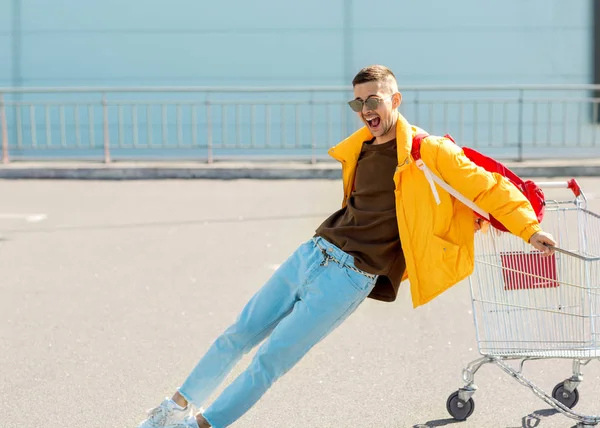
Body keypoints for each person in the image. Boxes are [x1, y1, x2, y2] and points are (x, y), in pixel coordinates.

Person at [137, 65, 556, 428]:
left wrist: (529, 229)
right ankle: (171, 410)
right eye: (357, 104)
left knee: (270, 362)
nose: (366, 112)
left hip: (349, 278)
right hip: (312, 254)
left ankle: (204, 424)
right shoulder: (358, 147)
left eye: (373, 101)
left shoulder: (428, 151)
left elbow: (489, 189)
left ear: (396, 99)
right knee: (237, 335)